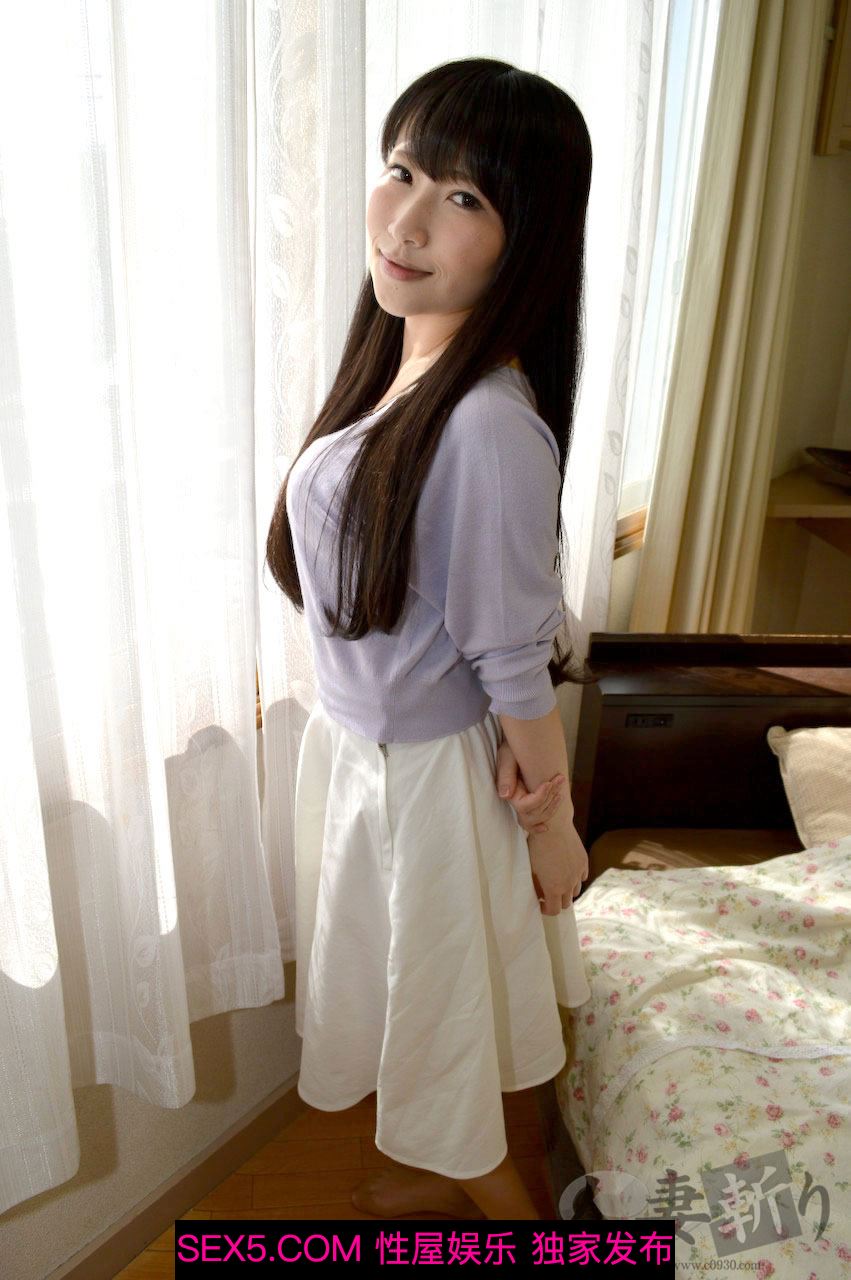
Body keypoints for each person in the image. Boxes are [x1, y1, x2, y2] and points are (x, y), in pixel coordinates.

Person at [264, 56, 596, 1221]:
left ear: (523, 238)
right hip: (372, 757)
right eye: (401, 171)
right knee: (416, 998)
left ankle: (513, 1218)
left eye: (461, 196)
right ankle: (464, 1169)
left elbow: (511, 657)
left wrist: (552, 828)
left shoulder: (487, 423)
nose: (404, 220)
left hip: (426, 782)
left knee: (442, 1017)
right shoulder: (404, 366)